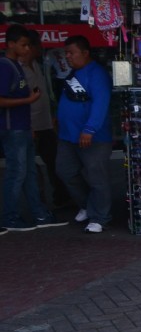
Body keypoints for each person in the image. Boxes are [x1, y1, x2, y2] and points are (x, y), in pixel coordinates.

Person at [0, 25, 67, 232]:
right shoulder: (5, 66)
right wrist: (29, 100)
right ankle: (8, 216)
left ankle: (39, 212)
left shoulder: (17, 65)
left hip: (24, 126)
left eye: (29, 45)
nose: (28, 49)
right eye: (23, 45)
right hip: (12, 128)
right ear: (10, 44)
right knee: (17, 172)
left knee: (29, 172)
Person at [56, 35, 112, 233]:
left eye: (72, 53)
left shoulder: (97, 74)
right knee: (65, 171)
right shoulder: (73, 73)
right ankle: (88, 206)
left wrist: (89, 129)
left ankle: (100, 217)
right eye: (66, 53)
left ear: (85, 53)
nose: (68, 57)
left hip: (93, 137)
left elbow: (101, 103)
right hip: (68, 135)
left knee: (97, 177)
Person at [24, 28, 72, 208]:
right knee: (29, 168)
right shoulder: (16, 68)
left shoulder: (37, 64)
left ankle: (62, 197)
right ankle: (38, 205)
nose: (41, 48)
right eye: (38, 45)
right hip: (28, 124)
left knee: (56, 162)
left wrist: (53, 116)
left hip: (45, 122)